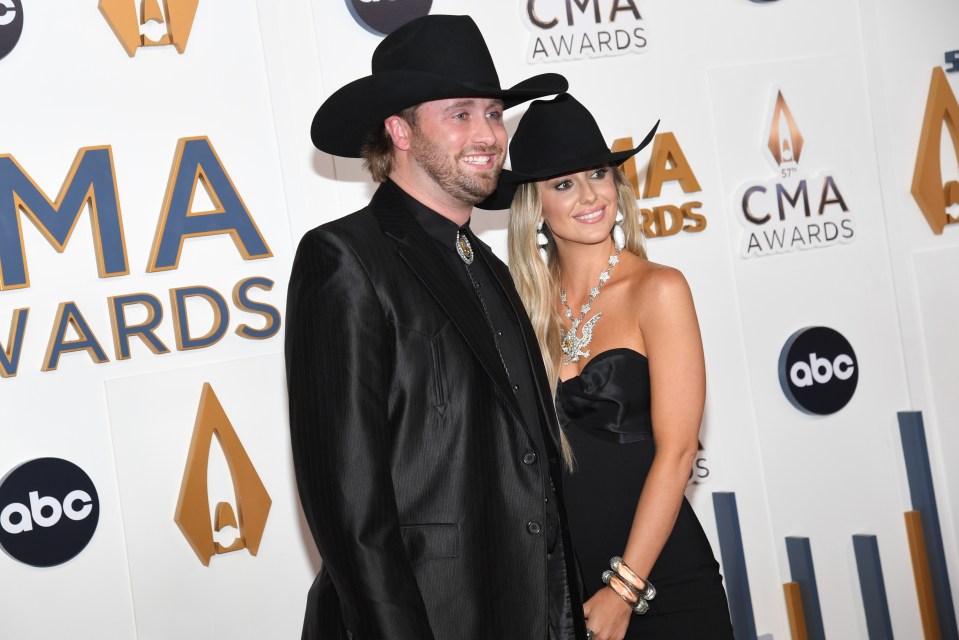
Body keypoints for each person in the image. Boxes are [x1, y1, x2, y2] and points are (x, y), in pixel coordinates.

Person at [285, 15, 589, 640]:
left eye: (493, 114)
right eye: (460, 114)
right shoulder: (345, 258)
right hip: (433, 617)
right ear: (399, 130)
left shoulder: (492, 268)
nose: (488, 134)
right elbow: (348, 505)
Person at [492, 94, 734, 640]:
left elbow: (677, 453)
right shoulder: (520, 306)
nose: (589, 195)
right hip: (562, 588)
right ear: (535, 204)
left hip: (660, 580)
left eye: (598, 173)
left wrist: (624, 589)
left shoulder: (658, 289)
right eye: (563, 183)